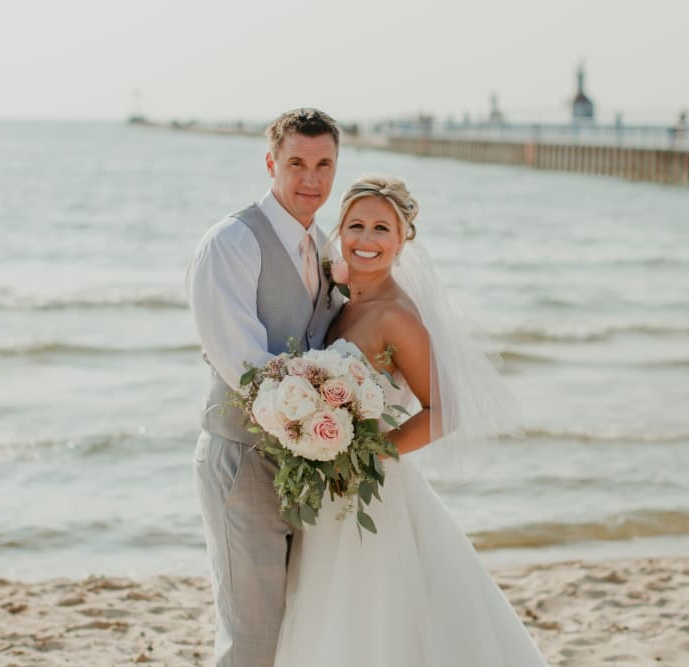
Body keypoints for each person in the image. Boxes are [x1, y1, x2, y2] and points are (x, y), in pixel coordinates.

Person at [274, 175, 549, 667]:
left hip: (372, 491)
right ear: (339, 232)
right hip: (332, 489)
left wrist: (373, 452)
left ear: (403, 240)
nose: (366, 239)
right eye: (356, 225)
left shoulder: (396, 315)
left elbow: (445, 411)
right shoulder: (342, 301)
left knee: (373, 622)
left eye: (382, 228)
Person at [186, 108, 344, 667]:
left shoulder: (326, 249)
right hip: (243, 459)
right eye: (297, 163)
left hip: (308, 464)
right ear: (271, 162)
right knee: (252, 635)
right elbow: (244, 365)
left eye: (324, 165)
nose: (311, 179)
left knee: (300, 624)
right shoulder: (232, 242)